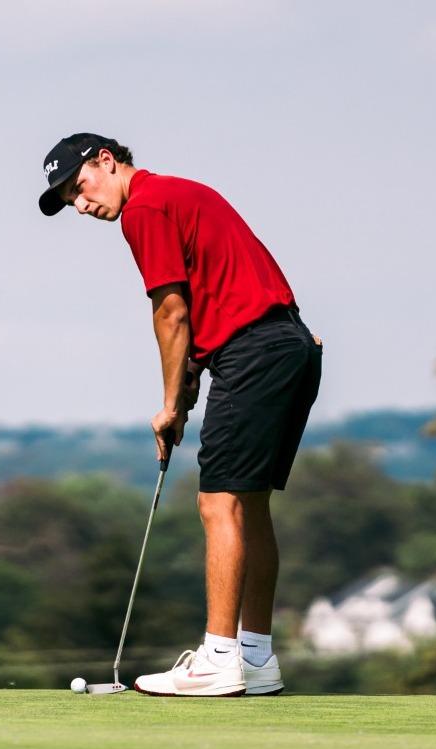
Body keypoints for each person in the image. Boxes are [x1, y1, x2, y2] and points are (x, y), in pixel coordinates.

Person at [37, 133, 322, 697]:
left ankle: (219, 658)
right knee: (249, 504)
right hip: (291, 347)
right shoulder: (180, 194)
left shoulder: (143, 207)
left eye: (80, 187)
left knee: (217, 503)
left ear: (107, 161)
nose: (82, 204)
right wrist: (190, 381)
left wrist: (169, 406)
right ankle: (257, 658)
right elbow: (207, 308)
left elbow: (170, 312)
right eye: (71, 200)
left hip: (253, 351)